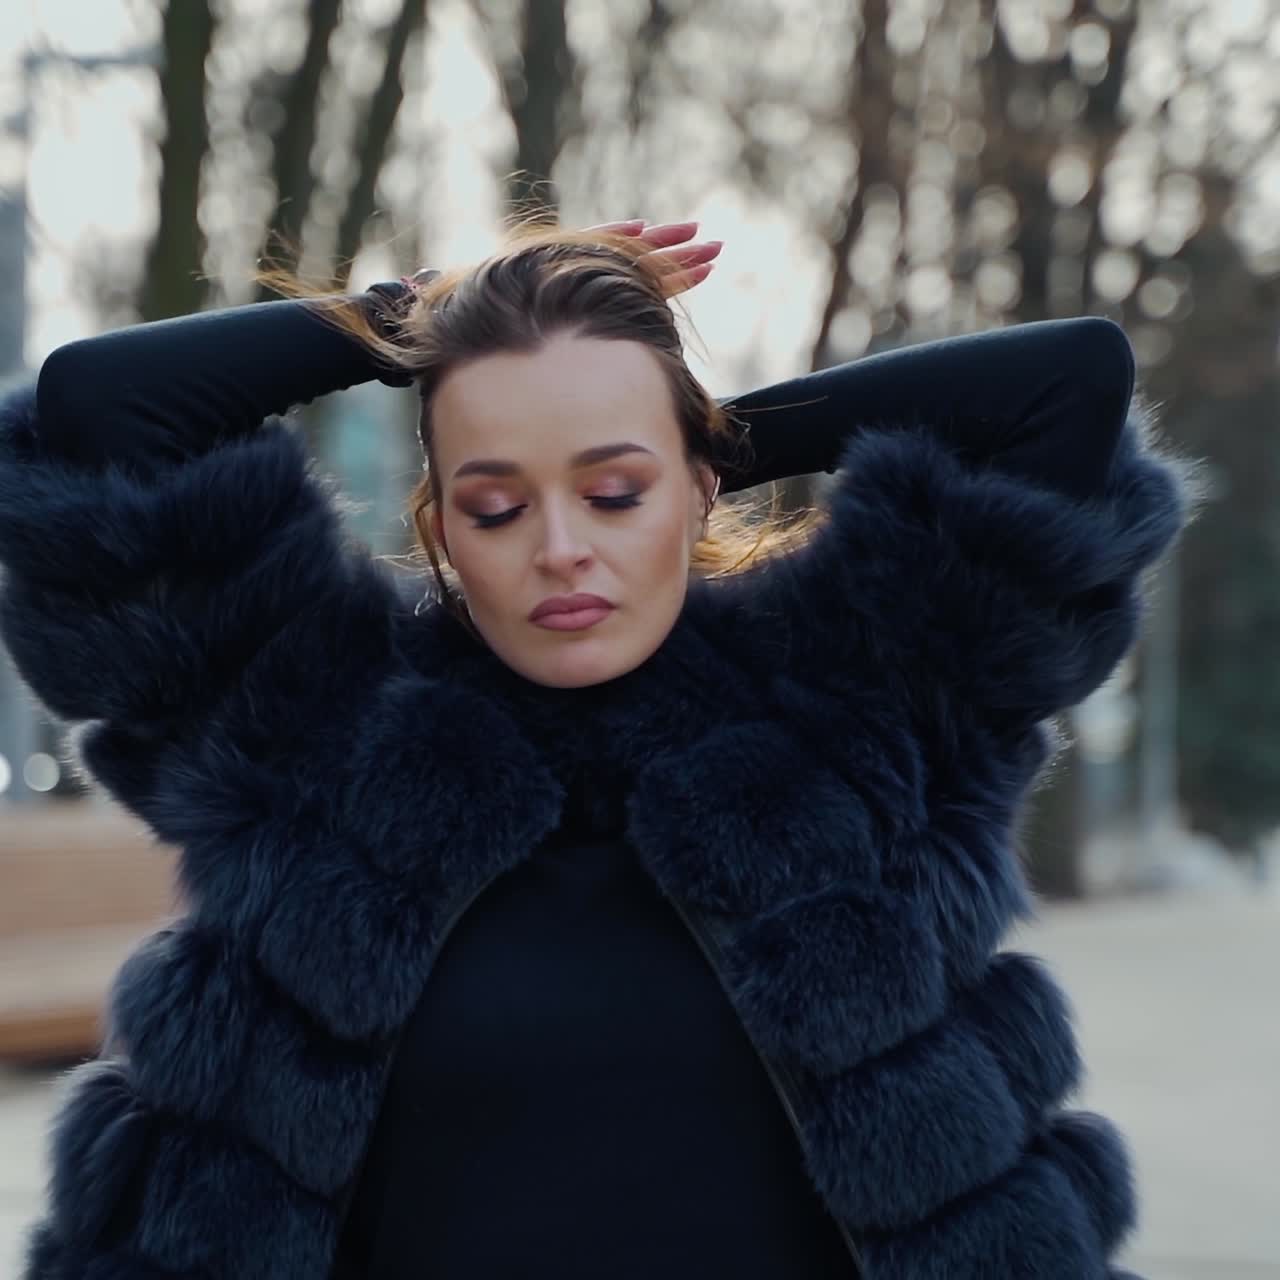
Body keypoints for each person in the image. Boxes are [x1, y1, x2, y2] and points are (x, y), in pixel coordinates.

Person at [0, 219, 1191, 1280]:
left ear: (697, 491)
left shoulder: (861, 697)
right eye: (497, 504)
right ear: (442, 527)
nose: (560, 546)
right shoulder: (315, 720)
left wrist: (711, 432)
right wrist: (396, 320)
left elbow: (1067, 383)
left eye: (615, 492)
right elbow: (100, 411)